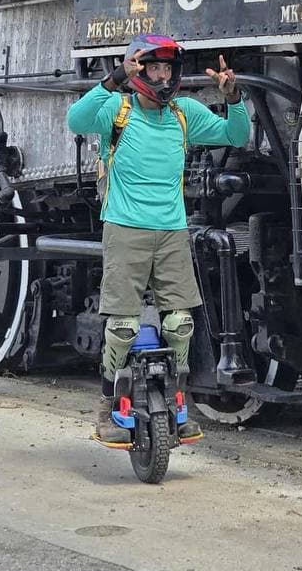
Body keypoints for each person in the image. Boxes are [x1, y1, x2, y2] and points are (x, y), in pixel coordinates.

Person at [66, 33, 250, 443]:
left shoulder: (184, 113)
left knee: (181, 323)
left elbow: (236, 136)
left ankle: (178, 404)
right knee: (124, 326)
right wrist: (114, 78)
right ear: (138, 68)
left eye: (167, 68)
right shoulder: (118, 108)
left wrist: (233, 96)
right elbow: (76, 120)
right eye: (154, 68)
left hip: (171, 231)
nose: (163, 76)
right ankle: (106, 408)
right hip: (126, 228)